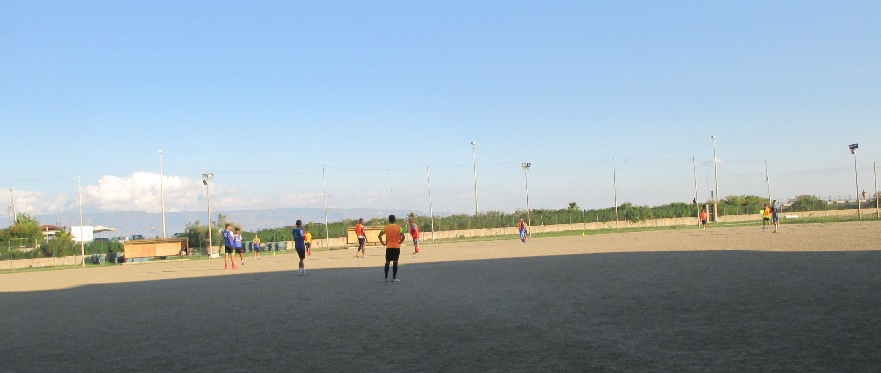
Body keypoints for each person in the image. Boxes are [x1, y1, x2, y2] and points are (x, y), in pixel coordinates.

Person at [378, 214, 405, 282]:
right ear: (395, 220)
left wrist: (382, 243)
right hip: (396, 247)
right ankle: (394, 278)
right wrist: (399, 242)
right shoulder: (399, 227)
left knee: (387, 262)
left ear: (389, 220)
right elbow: (403, 236)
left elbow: (379, 236)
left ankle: (386, 278)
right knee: (395, 262)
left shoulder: (385, 227)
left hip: (389, 247)